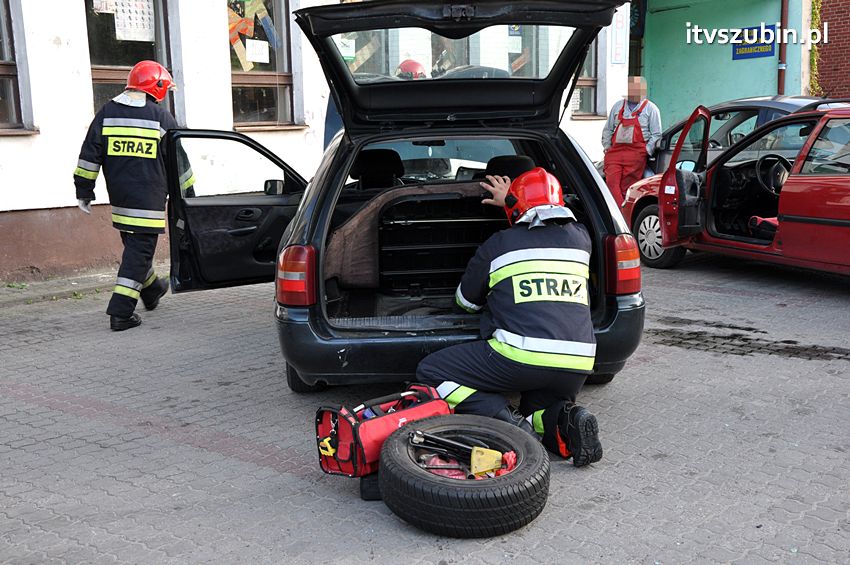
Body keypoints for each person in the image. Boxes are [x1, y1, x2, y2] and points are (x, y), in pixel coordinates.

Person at [415, 167, 603, 467]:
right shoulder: (582, 239)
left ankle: (508, 423)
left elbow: (465, 302)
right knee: (539, 410)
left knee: (432, 372)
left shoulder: (499, 244)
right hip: (578, 359)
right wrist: (514, 202)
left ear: (517, 208)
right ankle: (568, 418)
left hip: (520, 357)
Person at [73, 60, 179, 331]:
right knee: (139, 253)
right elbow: (179, 163)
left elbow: (89, 155)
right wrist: (187, 194)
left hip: (120, 201)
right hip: (149, 203)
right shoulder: (160, 118)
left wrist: (84, 190)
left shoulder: (107, 113)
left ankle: (153, 289)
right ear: (156, 87)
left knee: (136, 252)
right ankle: (121, 313)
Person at [602, 76, 662, 206]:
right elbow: (608, 129)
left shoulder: (651, 109)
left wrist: (646, 151)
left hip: (636, 155)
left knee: (626, 188)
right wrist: (607, 147)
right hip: (615, 153)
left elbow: (656, 134)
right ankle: (620, 214)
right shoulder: (618, 106)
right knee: (611, 184)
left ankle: (623, 218)